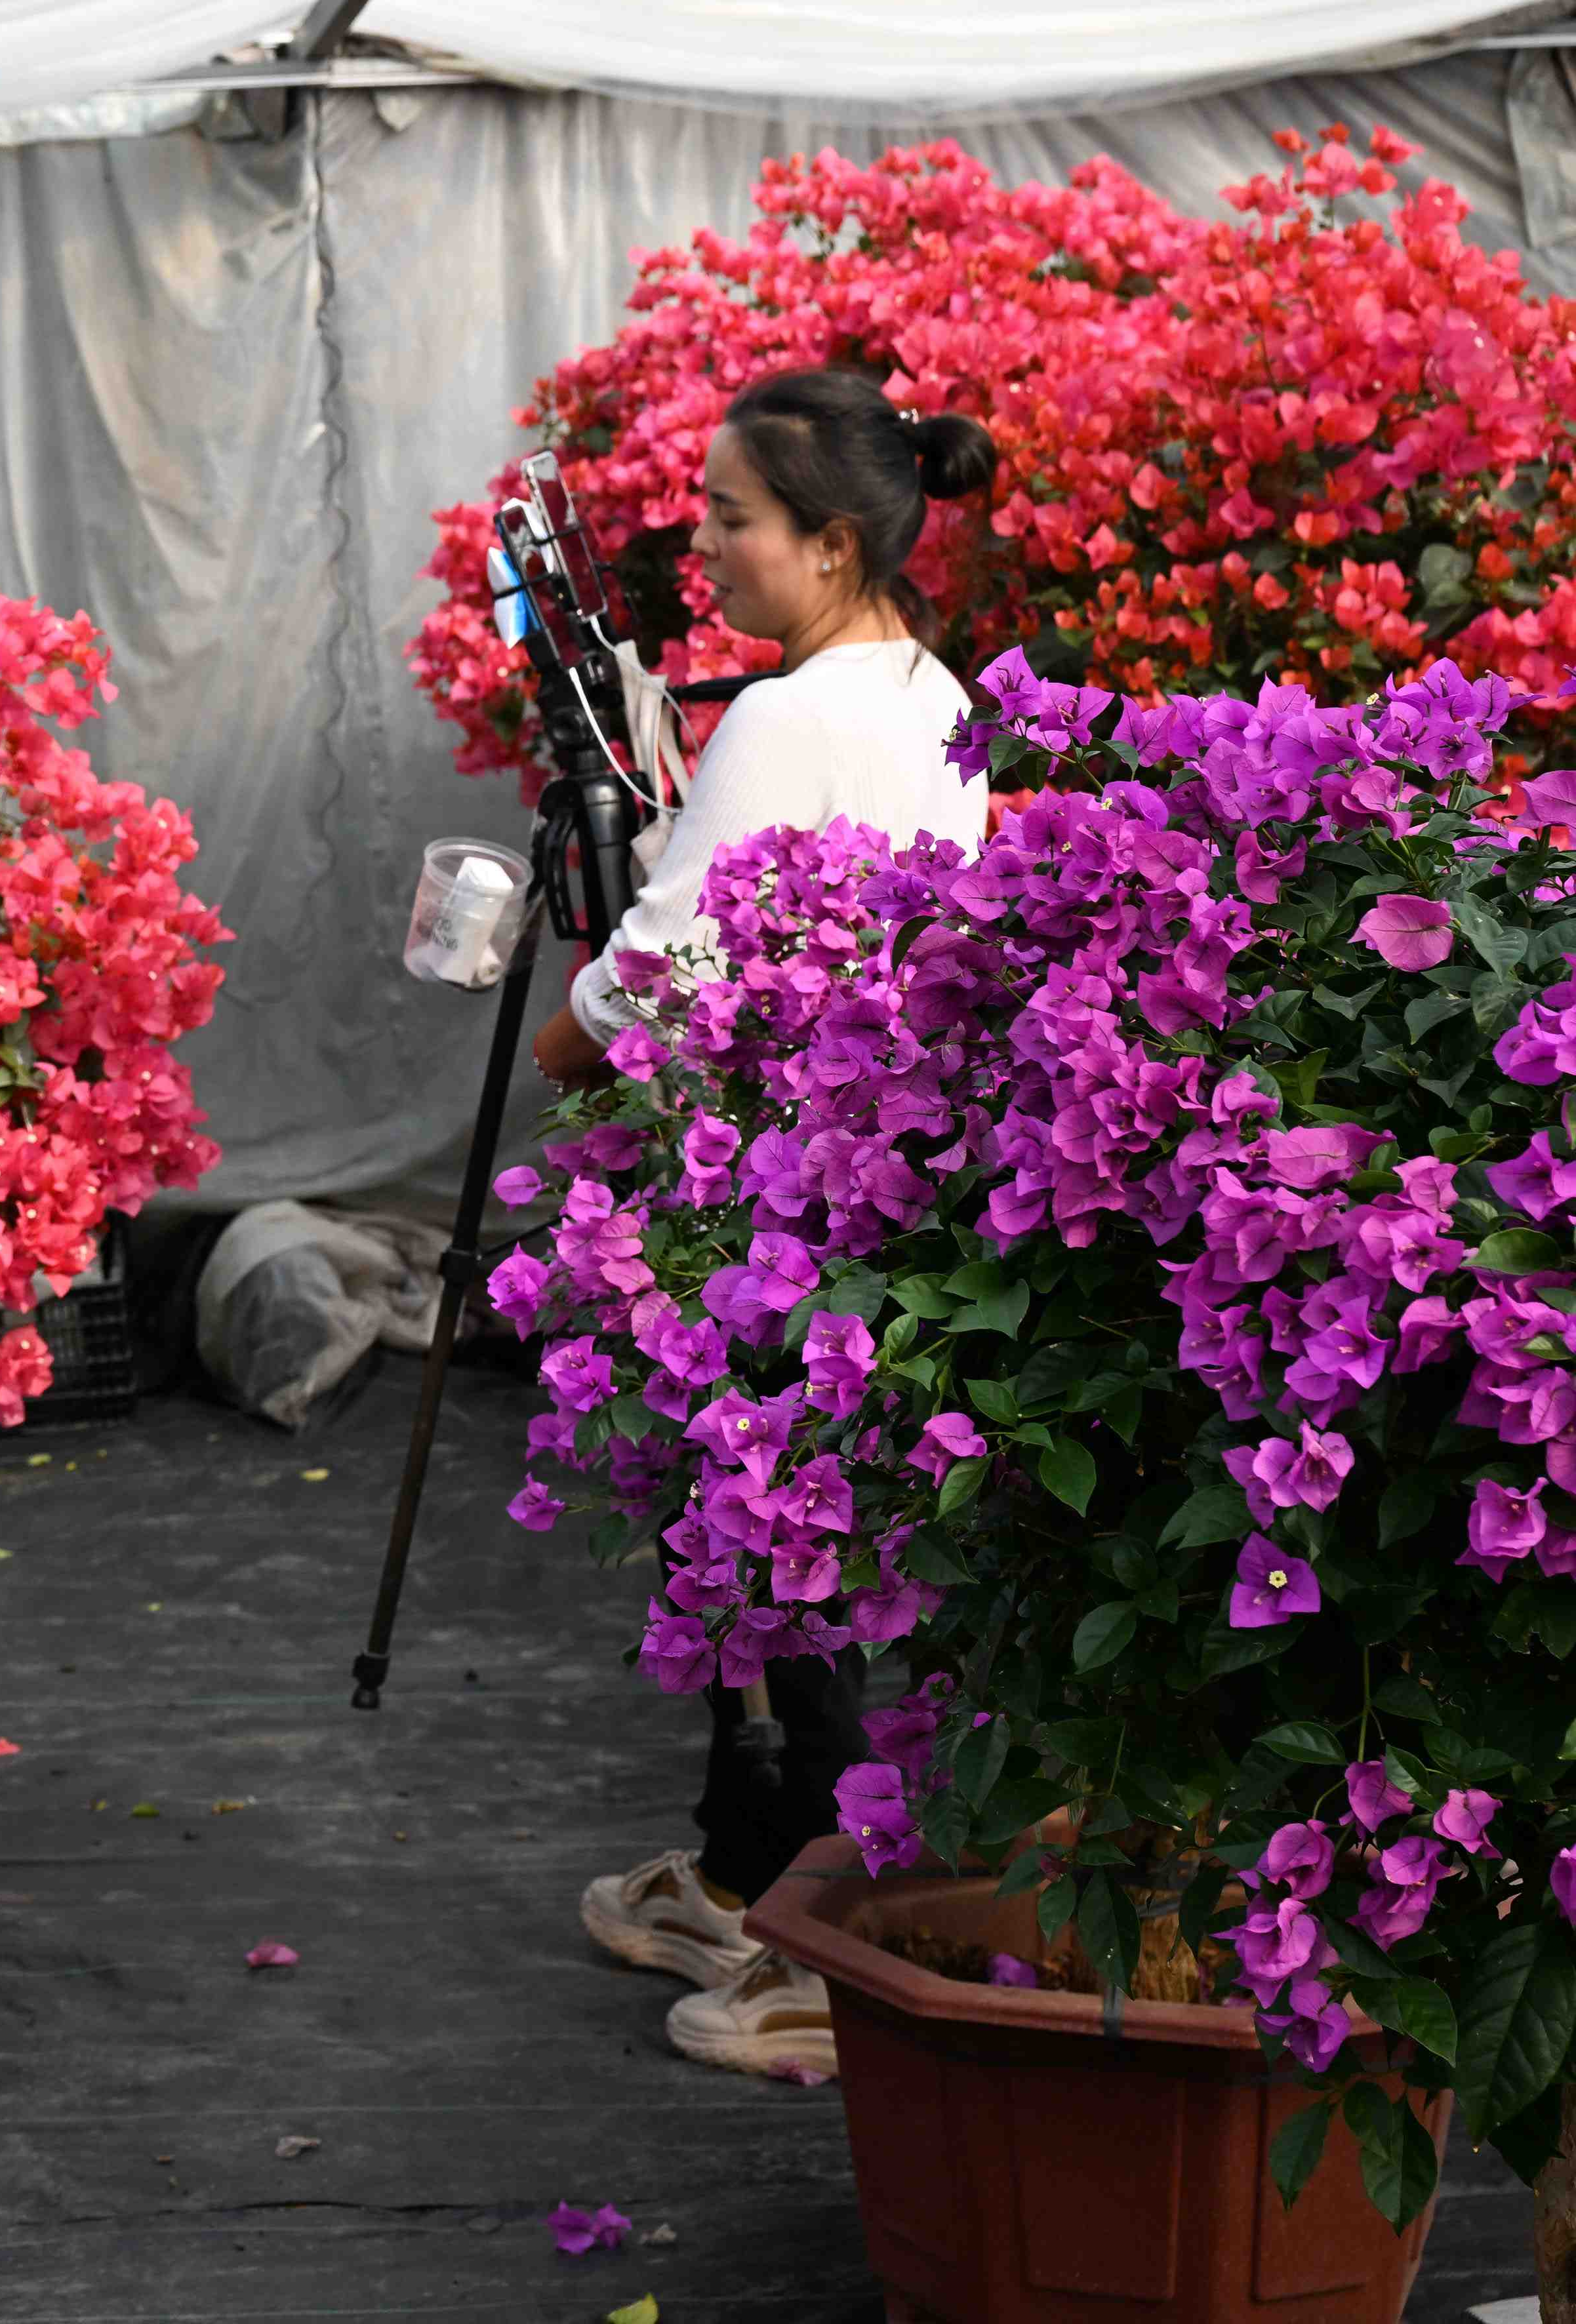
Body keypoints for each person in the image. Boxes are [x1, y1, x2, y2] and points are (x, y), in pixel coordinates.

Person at [538, 367, 998, 2082]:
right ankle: (742, 1877)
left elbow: (660, 983)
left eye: (734, 518)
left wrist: (559, 1035)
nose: (706, 546)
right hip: (878, 1197)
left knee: (786, 1567)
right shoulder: (934, 694)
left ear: (831, 539)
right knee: (788, 1553)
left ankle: (820, 1958)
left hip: (774, 1203)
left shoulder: (785, 721)